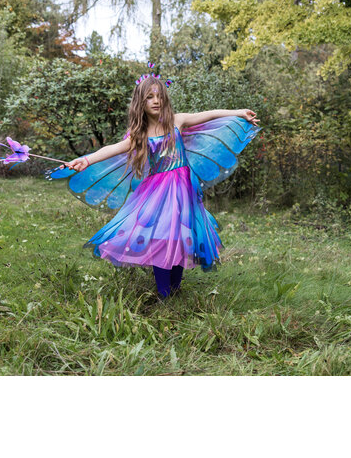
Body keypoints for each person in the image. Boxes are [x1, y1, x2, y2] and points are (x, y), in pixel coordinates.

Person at [48, 63, 261, 299]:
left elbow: (209, 114)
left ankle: (175, 290)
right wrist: (85, 160)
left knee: (181, 236)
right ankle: (164, 294)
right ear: (141, 103)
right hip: (159, 192)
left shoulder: (176, 121)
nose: (156, 101)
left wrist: (239, 112)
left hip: (184, 190)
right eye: (149, 97)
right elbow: (112, 149)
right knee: (163, 236)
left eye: (159, 96)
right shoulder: (139, 135)